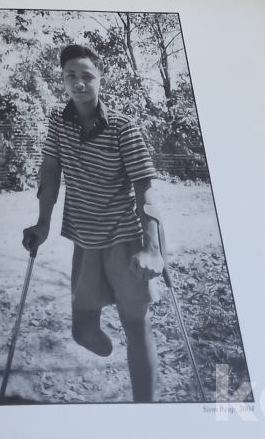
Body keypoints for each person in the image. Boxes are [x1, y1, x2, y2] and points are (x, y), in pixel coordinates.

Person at [22, 45, 166, 403]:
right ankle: (117, 352)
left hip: (125, 239)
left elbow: (145, 188)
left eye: (87, 76)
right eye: (71, 76)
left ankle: (146, 410)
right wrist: (42, 223)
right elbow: (50, 171)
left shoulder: (122, 126)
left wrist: (152, 248)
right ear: (62, 80)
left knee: (136, 328)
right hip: (85, 240)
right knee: (83, 332)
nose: (79, 83)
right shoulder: (59, 123)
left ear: (101, 78)